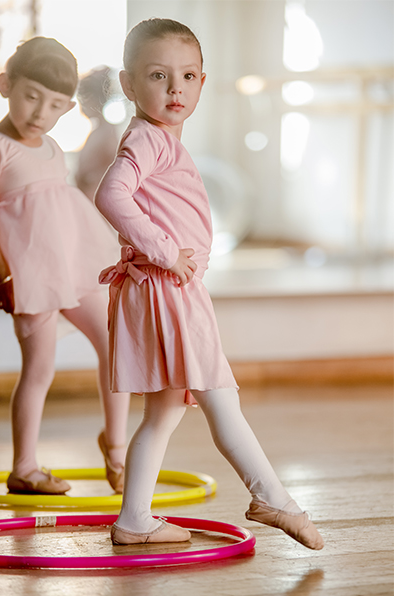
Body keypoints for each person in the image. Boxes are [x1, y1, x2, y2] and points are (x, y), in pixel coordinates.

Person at [95, 18, 324, 550]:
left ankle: (134, 521)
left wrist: (165, 253)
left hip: (160, 289)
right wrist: (164, 250)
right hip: (167, 289)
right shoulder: (151, 140)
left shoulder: (156, 138)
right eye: (158, 75)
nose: (176, 88)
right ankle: (274, 497)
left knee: (164, 410)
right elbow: (111, 196)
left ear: (202, 82)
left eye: (189, 75)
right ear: (129, 85)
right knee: (221, 400)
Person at [0, 37, 130, 495]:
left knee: (116, 345)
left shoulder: (52, 146)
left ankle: (116, 446)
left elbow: (57, 210)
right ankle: (25, 467)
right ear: (5, 84)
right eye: (30, 96)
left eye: (53, 104)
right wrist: (5, 275)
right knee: (40, 369)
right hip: (32, 275)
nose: (38, 113)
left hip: (74, 264)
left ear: (67, 109)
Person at [75, 67, 120, 202]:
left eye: (85, 100)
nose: (82, 107)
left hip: (96, 200)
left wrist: (89, 178)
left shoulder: (108, 132)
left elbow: (113, 170)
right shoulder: (97, 132)